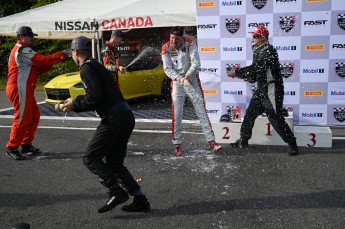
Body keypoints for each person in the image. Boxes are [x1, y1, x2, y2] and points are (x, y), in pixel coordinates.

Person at [58, 36, 150, 213]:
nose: (72, 57)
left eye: (72, 54)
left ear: (75, 52)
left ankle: (116, 191)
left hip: (114, 118)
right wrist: (74, 105)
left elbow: (94, 97)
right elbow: (98, 97)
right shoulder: (96, 65)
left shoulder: (86, 68)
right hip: (125, 116)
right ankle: (140, 200)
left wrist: (74, 103)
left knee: (90, 157)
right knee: (115, 163)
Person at [227, 26, 299, 156]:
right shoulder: (258, 50)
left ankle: (292, 144)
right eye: (253, 36)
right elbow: (257, 72)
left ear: (263, 38)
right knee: (250, 114)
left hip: (272, 89)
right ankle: (243, 140)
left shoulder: (268, 50)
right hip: (262, 89)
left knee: (275, 118)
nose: (252, 39)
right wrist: (250, 78)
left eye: (255, 36)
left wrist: (237, 72)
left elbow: (256, 68)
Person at [5, 26, 69, 160]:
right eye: (30, 36)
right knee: (22, 117)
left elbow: (39, 67)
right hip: (19, 87)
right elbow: (43, 61)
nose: (32, 38)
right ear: (22, 36)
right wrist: (62, 54)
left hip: (23, 87)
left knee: (34, 115)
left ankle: (26, 144)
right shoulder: (22, 50)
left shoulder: (23, 50)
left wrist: (57, 59)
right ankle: (12, 147)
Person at [161, 26, 222, 157]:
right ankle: (177, 144)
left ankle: (212, 142)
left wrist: (187, 76)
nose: (173, 41)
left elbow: (196, 64)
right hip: (177, 82)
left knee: (201, 110)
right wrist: (179, 78)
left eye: (176, 39)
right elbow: (167, 69)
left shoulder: (190, 43)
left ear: (182, 38)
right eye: (172, 38)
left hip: (192, 79)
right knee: (177, 114)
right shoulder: (166, 47)